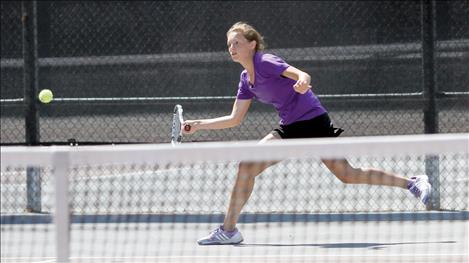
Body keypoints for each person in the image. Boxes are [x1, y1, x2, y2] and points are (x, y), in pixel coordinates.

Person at [182, 22, 432, 245]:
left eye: (236, 42)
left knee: (347, 174)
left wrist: (302, 81)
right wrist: (199, 124)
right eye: (229, 44)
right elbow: (235, 118)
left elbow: (301, 74)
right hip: (290, 127)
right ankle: (229, 230)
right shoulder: (246, 79)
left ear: (252, 44)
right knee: (246, 166)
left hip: (314, 122)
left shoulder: (266, 61)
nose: (231, 47)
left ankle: (412, 183)